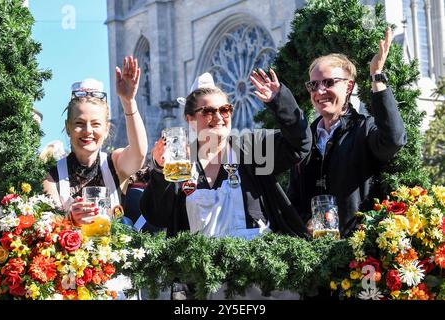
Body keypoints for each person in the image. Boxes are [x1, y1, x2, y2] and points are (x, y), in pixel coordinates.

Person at [141, 71, 312, 299]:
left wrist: (279, 100)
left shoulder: (252, 151)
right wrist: (159, 170)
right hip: (202, 283)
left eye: (225, 110)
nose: (219, 117)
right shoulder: (180, 164)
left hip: (260, 280)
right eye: (208, 112)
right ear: (190, 119)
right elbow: (157, 216)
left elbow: (300, 145)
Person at [286, 28, 407, 238]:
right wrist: (304, 223)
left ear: (349, 86)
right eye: (313, 85)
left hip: (356, 256)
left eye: (329, 82)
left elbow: (394, 139)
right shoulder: (305, 138)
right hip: (312, 256)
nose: (319, 91)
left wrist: (376, 75)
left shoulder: (363, 128)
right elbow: (294, 199)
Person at [43, 56, 147, 223]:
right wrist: (70, 218)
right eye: (79, 123)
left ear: (106, 129)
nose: (88, 131)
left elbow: (139, 154)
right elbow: (50, 223)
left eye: (96, 124)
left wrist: (128, 102)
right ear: (68, 127)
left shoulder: (115, 163)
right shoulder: (52, 175)